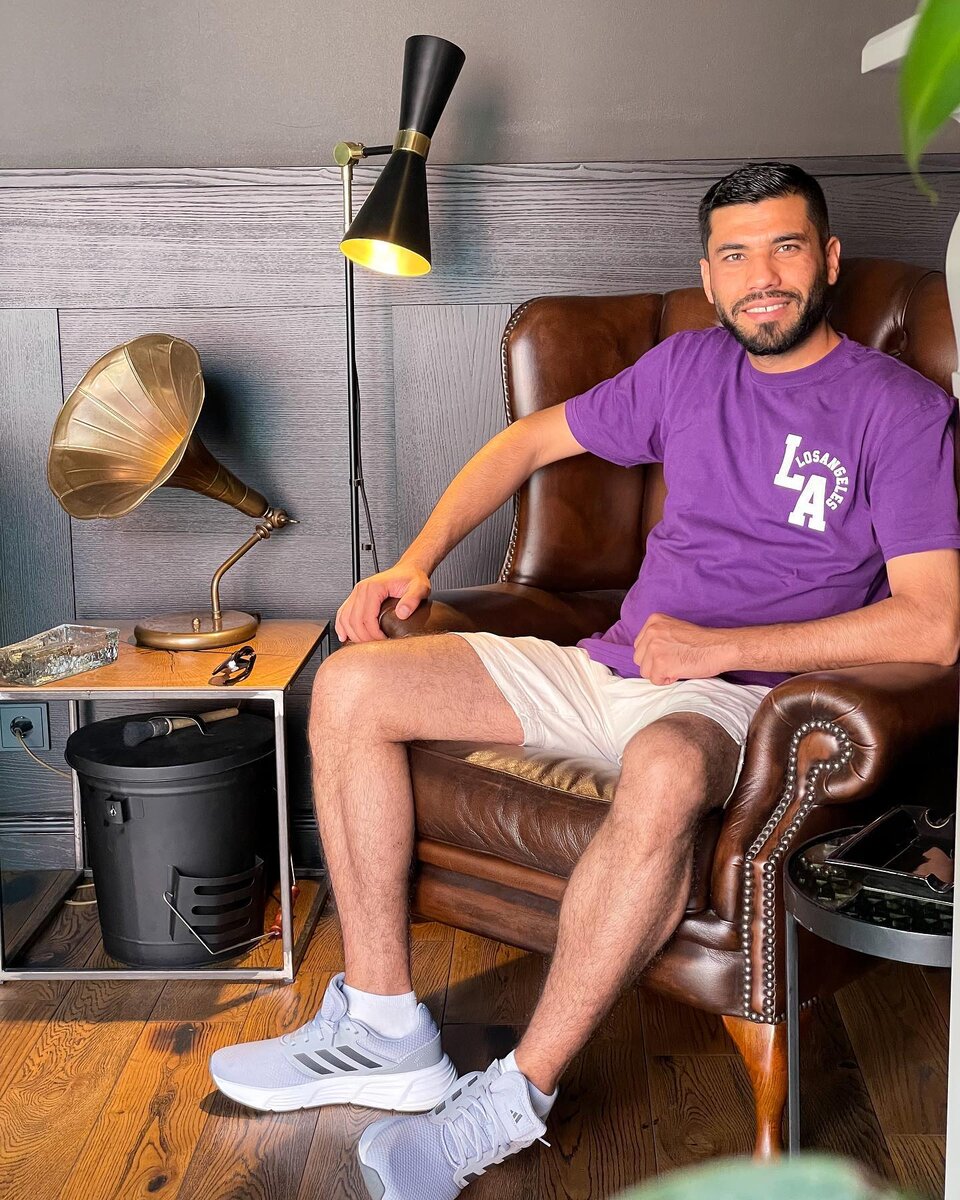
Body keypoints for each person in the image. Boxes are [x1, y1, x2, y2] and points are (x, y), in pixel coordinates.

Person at [209, 162, 960, 1199]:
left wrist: (714, 650)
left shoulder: (900, 408)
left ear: (827, 260)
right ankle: (382, 1025)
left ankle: (512, 1099)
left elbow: (934, 625)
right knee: (351, 688)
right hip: (604, 666)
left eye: (786, 248)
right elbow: (529, 441)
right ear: (710, 274)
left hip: (738, 698)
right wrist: (414, 563)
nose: (762, 278)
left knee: (665, 767)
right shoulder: (687, 366)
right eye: (736, 255)